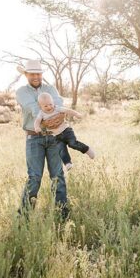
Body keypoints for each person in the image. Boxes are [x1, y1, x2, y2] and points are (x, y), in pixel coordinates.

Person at [15, 60, 70, 219]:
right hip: (34, 138)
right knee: (34, 178)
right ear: (26, 75)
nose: (35, 77)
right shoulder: (21, 92)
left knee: (57, 176)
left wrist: (51, 110)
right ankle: (24, 216)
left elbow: (59, 103)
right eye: (32, 74)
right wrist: (49, 111)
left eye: (38, 74)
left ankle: (62, 215)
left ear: (41, 75)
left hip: (53, 137)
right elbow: (32, 107)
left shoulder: (50, 88)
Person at [33, 93, 96, 160]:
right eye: (45, 106)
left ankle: (87, 149)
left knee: (72, 143)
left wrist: (76, 114)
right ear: (40, 106)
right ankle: (67, 163)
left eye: (50, 104)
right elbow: (37, 121)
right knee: (61, 149)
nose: (49, 107)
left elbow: (67, 110)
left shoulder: (57, 108)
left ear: (53, 102)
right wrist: (36, 127)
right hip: (57, 135)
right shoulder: (41, 113)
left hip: (66, 130)